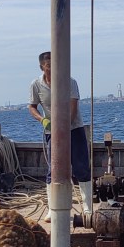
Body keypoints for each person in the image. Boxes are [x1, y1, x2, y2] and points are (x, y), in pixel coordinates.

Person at [28, 51, 93, 217]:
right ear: (42, 67)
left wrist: (65, 127)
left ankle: (87, 206)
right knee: (53, 170)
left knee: (81, 167)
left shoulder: (70, 82)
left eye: (55, 64)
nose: (52, 68)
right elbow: (32, 107)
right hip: (51, 131)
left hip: (74, 129)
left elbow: (73, 106)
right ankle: (53, 208)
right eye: (48, 65)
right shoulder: (36, 85)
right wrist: (42, 120)